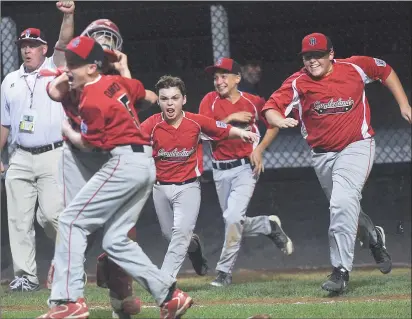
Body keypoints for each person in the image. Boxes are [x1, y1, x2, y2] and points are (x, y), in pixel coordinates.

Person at [38, 36, 193, 319]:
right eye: (69, 62)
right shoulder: (119, 84)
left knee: (72, 221)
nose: (68, 68)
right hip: (144, 163)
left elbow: (89, 144)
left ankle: (69, 301)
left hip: (124, 163)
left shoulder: (92, 100)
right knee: (115, 241)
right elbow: (149, 97)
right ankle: (170, 296)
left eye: (75, 64)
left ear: (93, 68)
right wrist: (124, 70)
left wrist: (67, 131)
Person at [262, 32, 411, 294]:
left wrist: (404, 104)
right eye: (308, 56)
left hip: (357, 146)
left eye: (318, 55)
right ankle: (373, 236)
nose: (313, 61)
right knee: (345, 206)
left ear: (331, 54)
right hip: (322, 155)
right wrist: (276, 119)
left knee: (341, 203)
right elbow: (271, 107)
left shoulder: (353, 67)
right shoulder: (298, 82)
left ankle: (340, 271)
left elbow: (384, 70)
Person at [46, 19, 155, 319]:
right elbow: (55, 91)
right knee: (77, 225)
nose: (105, 42)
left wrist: (121, 71)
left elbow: (148, 98)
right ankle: (66, 299)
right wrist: (79, 70)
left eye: (109, 39)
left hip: (109, 157)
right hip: (79, 158)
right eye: (99, 38)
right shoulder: (74, 72)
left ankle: (120, 296)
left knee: (122, 233)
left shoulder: (110, 78)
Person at [140, 75, 260, 281]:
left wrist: (242, 133)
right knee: (171, 236)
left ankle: (163, 282)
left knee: (179, 235)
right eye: (165, 98)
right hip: (160, 188)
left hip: (188, 188)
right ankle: (194, 248)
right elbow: (133, 145)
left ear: (184, 100)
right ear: (158, 101)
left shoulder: (195, 122)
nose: (170, 103)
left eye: (175, 98)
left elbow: (221, 130)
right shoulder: (150, 125)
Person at [199, 57, 294, 287]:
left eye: (223, 76)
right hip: (220, 171)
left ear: (237, 79)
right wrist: (230, 119)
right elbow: (203, 132)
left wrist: (260, 149)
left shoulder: (252, 102)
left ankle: (224, 272)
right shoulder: (209, 101)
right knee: (234, 221)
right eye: (216, 77)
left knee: (232, 218)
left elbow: (273, 123)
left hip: (245, 168)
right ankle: (267, 226)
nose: (219, 81)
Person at [0, 1, 75, 292]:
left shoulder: (56, 68)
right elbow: (4, 124)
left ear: (44, 48)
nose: (27, 49)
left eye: (33, 44)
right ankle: (26, 277)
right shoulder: (10, 81)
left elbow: (66, 40)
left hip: (53, 153)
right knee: (18, 219)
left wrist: (68, 15)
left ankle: (70, 261)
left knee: (52, 215)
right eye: (24, 45)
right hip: (20, 156)